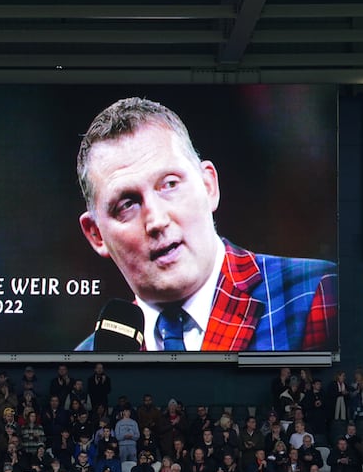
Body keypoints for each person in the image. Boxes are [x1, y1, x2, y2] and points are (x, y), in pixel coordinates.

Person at [73, 97, 337, 352]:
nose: (156, 221)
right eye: (127, 204)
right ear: (96, 235)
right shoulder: (88, 361)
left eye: (170, 185)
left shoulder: (315, 294)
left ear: (209, 186)